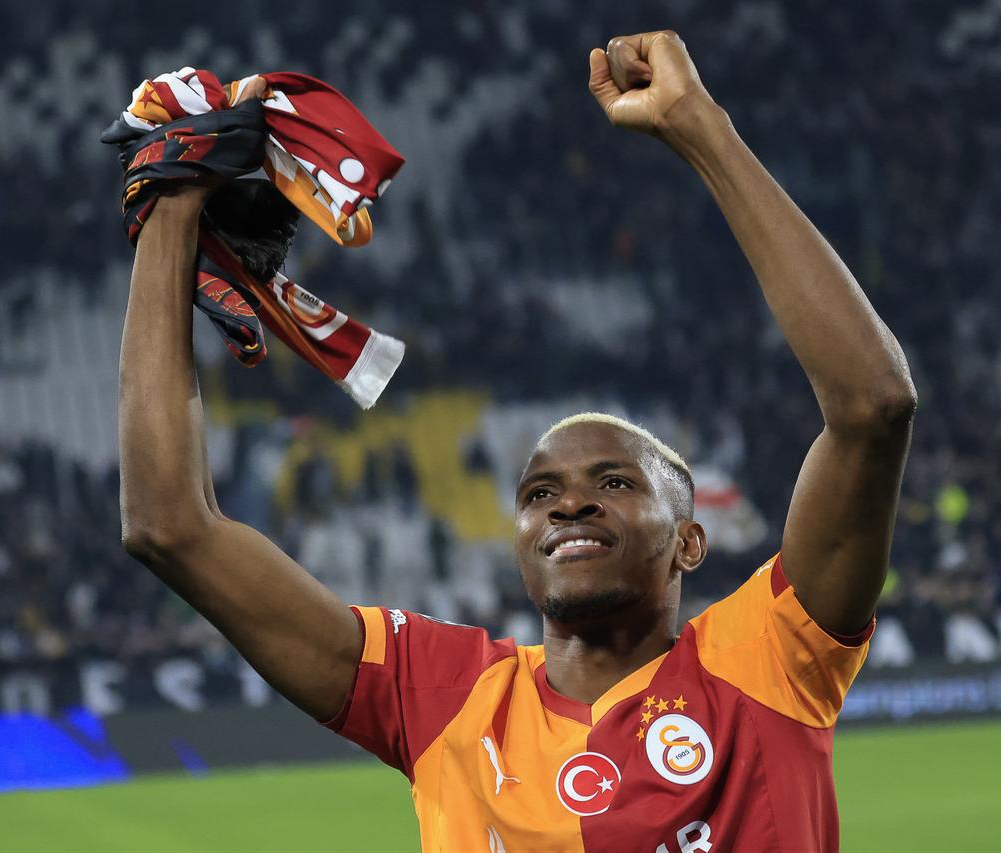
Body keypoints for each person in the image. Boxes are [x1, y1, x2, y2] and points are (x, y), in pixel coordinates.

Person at [118, 29, 916, 852]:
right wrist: (170, 215)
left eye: (614, 482)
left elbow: (872, 405)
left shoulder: (767, 660)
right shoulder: (442, 695)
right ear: (520, 542)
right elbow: (170, 527)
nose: (569, 500)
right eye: (539, 493)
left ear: (689, 541)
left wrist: (701, 127)